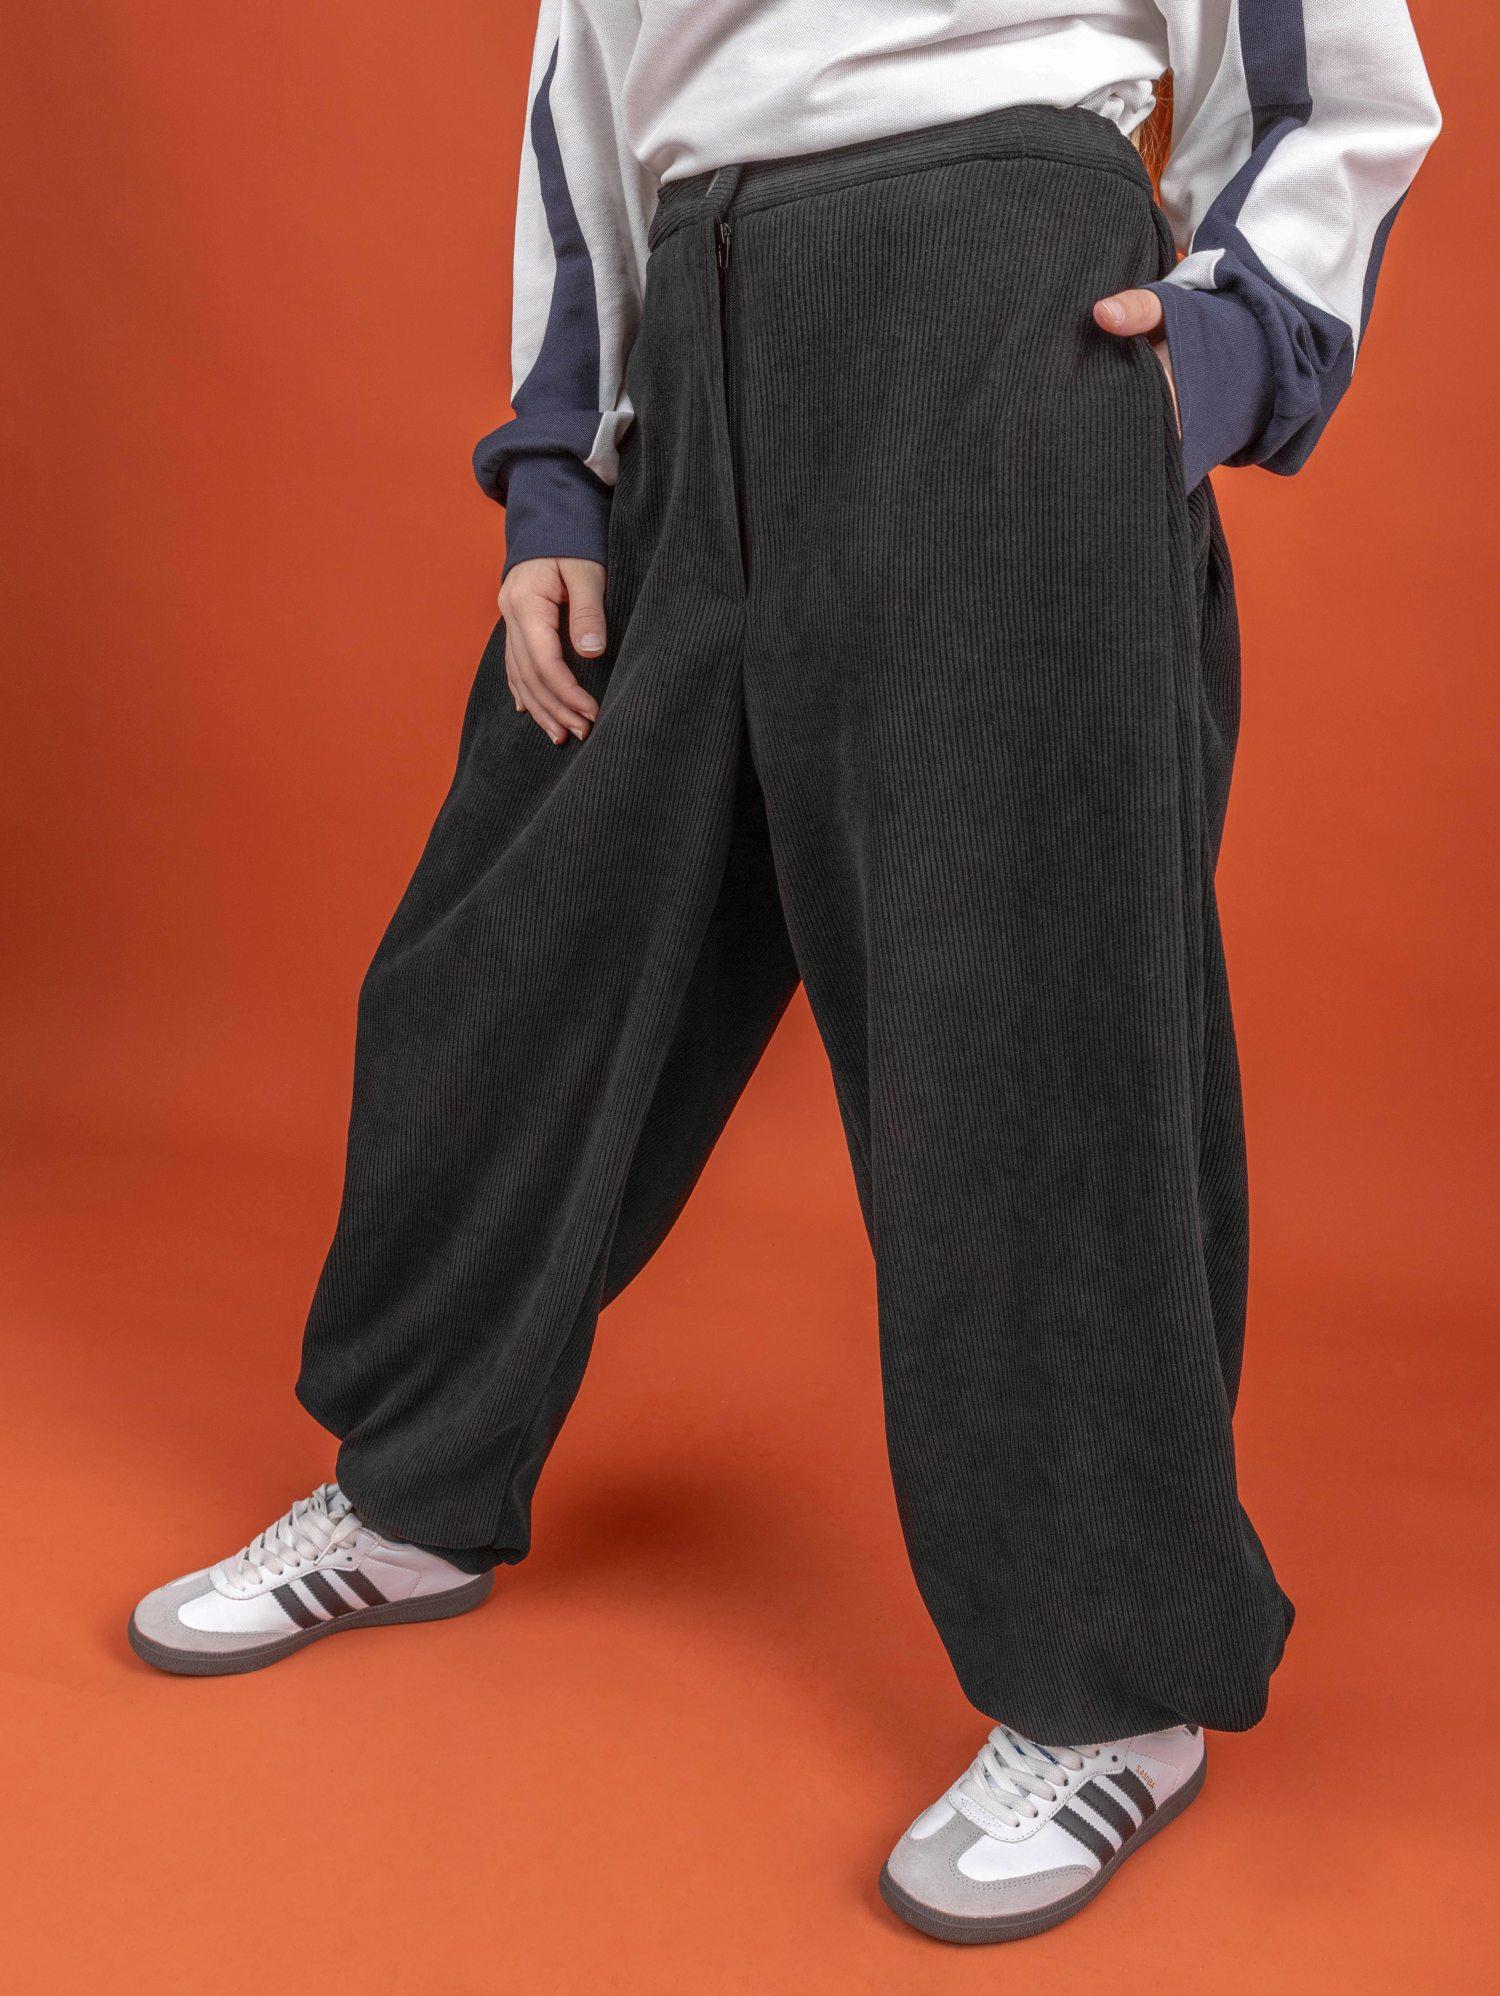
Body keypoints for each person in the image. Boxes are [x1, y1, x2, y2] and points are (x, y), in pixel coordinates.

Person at [130, 0, 1438, 1945]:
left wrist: (1242, 337)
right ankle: (414, 1480)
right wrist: (558, 475)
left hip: (1000, 318)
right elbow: (584, 91)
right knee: (515, 956)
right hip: (700, 333)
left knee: (1021, 1012)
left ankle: (1111, 1691)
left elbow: (1332, 67)